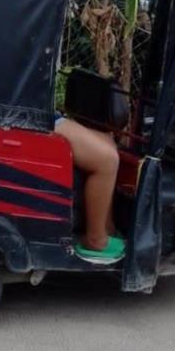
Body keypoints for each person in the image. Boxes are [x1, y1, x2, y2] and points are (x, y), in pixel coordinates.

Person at [55, 113, 125, 263]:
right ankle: (96, 240)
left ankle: (107, 227)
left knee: (108, 140)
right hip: (32, 115)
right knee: (107, 159)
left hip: (44, 113)